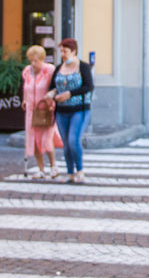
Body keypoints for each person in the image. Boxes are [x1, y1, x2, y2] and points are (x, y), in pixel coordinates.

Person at [48, 37, 95, 183]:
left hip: (79, 109)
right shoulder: (58, 68)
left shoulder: (83, 67)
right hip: (62, 110)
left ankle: (79, 170)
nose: (62, 54)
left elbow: (88, 86)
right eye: (61, 51)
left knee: (73, 140)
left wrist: (69, 94)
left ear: (73, 51)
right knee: (66, 143)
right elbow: (52, 86)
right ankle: (69, 173)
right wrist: (51, 94)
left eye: (65, 51)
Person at [21, 45, 62, 178]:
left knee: (46, 139)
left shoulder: (49, 70)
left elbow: (56, 87)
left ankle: (53, 166)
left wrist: (51, 98)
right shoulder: (27, 71)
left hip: (46, 110)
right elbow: (26, 88)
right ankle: (40, 168)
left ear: (42, 59)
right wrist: (24, 100)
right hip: (31, 111)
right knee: (33, 140)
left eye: (36, 60)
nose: (33, 63)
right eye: (31, 60)